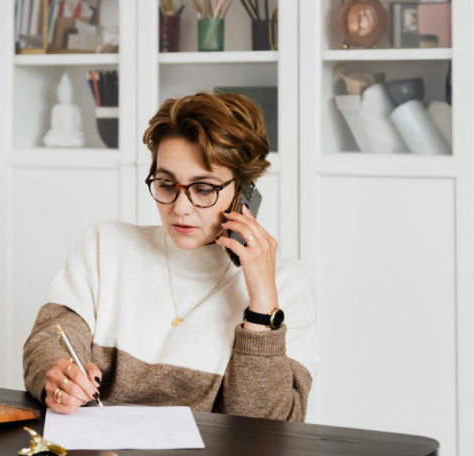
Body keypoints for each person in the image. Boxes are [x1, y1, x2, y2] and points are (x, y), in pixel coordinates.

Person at [22, 92, 317, 422]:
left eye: (203, 189)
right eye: (166, 184)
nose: (180, 208)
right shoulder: (104, 245)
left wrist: (262, 305)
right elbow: (47, 345)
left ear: (245, 190)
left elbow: (267, 429)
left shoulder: (288, 285)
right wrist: (58, 375)